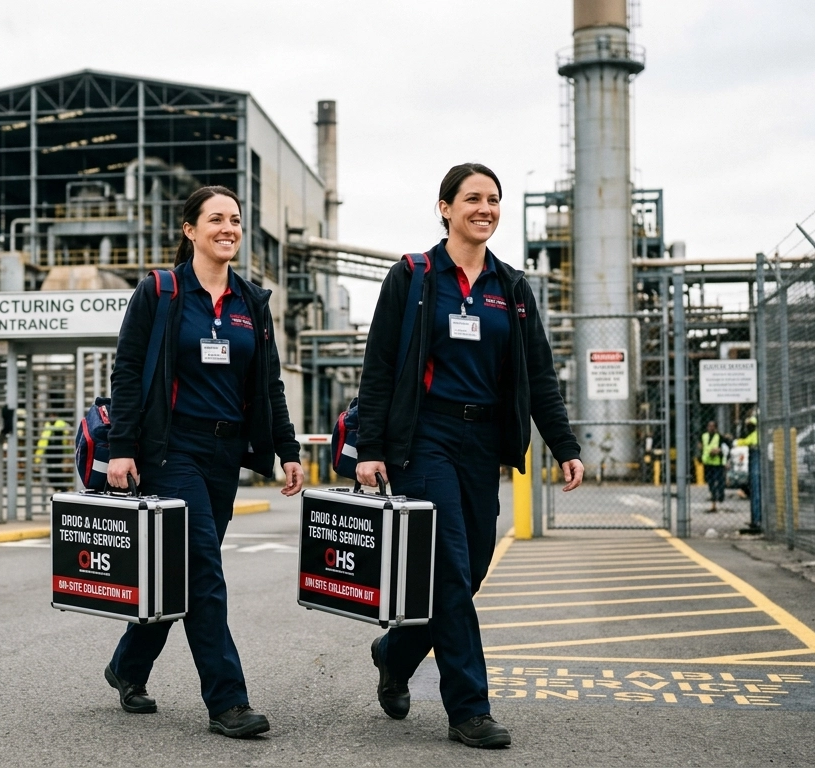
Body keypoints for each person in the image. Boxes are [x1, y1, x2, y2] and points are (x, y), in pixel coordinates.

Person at [353, 163, 584, 749]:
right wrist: (371, 449)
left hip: (483, 444)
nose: (485, 208)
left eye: (494, 200)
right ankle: (469, 709)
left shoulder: (511, 287)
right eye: (473, 199)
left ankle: (395, 652)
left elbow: (539, 376)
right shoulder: (413, 276)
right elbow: (379, 369)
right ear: (445, 208)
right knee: (451, 567)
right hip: (424, 438)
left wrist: (564, 445)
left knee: (473, 566)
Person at [103, 185, 304, 739]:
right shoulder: (161, 293)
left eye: (236, 219)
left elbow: (267, 385)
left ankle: (127, 665)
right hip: (171, 451)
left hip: (224, 456)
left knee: (182, 572)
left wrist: (287, 449)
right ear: (190, 229)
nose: (228, 228)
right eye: (216, 218)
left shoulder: (251, 303)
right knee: (205, 577)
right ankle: (227, 701)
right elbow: (127, 371)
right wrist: (122, 448)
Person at [734, 416, 760, 530]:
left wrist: (736, 441)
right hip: (755, 459)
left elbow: (748, 441)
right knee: (755, 490)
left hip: (756, 459)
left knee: (757, 491)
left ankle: (757, 520)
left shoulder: (756, 434)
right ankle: (757, 519)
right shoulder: (755, 433)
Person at [700, 420, 731, 513]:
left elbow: (727, 447)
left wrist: (719, 450)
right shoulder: (704, 436)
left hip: (717, 462)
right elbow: (701, 445)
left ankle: (720, 496)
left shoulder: (720, 437)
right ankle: (713, 496)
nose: (711, 428)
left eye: (713, 426)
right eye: (709, 426)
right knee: (710, 481)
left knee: (719, 480)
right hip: (707, 462)